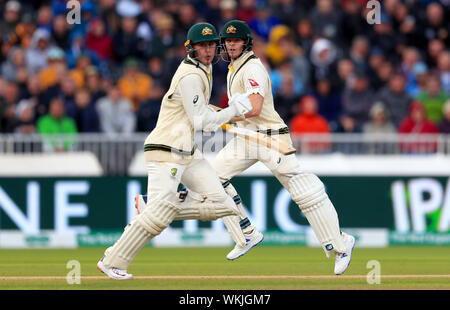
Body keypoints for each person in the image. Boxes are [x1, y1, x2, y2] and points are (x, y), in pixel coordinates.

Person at [96, 22, 253, 280]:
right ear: (190, 48)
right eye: (202, 45)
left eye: (211, 44)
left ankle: (152, 204)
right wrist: (233, 110)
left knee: (224, 204)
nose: (208, 49)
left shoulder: (207, 67)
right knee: (157, 220)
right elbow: (201, 122)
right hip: (166, 148)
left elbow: (200, 112)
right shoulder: (191, 75)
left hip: (187, 151)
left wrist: (229, 113)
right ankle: (113, 261)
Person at [210, 20, 354, 274]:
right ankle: (246, 234)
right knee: (211, 178)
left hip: (271, 138)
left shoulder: (253, 68)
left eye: (236, 40)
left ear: (246, 43)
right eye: (228, 41)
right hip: (247, 137)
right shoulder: (234, 68)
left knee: (304, 193)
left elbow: (254, 108)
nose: (231, 44)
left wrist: (223, 115)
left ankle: (341, 244)